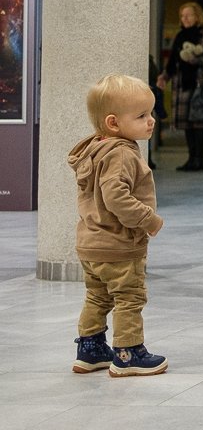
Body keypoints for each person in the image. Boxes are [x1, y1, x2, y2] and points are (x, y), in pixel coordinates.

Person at [69, 74, 168, 377]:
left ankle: (90, 348)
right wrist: (147, 220)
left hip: (91, 243)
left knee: (97, 296)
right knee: (129, 297)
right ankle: (128, 354)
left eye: (150, 113)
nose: (151, 121)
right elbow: (116, 197)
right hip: (118, 245)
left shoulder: (95, 148)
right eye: (141, 116)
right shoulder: (122, 152)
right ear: (113, 123)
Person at [157, 1, 203, 171]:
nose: (184, 19)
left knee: (199, 123)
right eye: (182, 16)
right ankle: (192, 158)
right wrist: (164, 77)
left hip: (199, 83)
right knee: (186, 124)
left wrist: (194, 60)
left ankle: (200, 159)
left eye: (188, 15)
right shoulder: (180, 35)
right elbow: (172, 61)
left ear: (197, 15)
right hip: (182, 84)